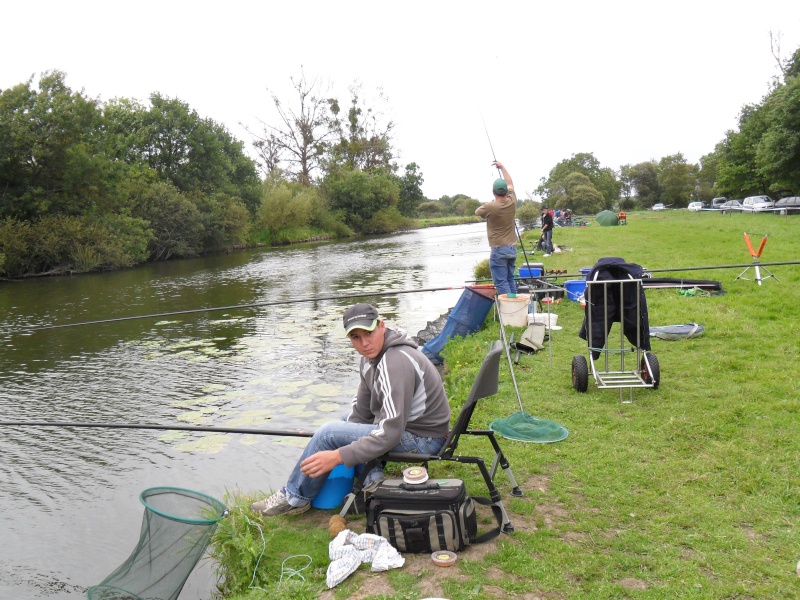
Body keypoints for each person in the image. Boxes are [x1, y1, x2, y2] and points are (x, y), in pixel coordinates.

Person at [250, 303, 451, 516]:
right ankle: (373, 482)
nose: (364, 343)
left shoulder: (395, 362)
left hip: (425, 440)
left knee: (330, 432)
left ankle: (293, 498)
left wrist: (338, 455)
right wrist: (333, 437)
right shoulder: (370, 359)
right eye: (356, 337)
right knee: (342, 423)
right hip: (411, 430)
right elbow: (361, 414)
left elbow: (391, 433)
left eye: (369, 333)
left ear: (381, 326)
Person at [474, 161, 518, 296]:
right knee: (510, 279)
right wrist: (502, 166)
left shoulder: (489, 207)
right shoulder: (512, 201)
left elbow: (477, 212)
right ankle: (517, 307)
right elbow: (510, 182)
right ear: (506, 191)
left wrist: (490, 205)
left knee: (501, 282)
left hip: (499, 250)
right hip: (512, 249)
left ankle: (512, 308)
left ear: (493, 192)